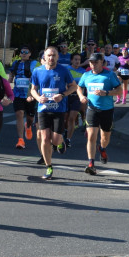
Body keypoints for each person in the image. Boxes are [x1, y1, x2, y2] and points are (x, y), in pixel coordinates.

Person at [29, 46, 78, 180]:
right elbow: (33, 89)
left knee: (55, 140)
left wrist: (62, 95)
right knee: (44, 138)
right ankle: (49, 166)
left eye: (54, 55)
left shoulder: (63, 70)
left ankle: (60, 142)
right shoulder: (37, 71)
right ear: (44, 57)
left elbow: (74, 86)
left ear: (57, 57)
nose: (51, 58)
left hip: (59, 109)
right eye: (49, 55)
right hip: (43, 109)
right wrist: (38, 98)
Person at [77, 53, 121, 176]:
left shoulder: (109, 75)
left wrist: (106, 93)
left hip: (107, 110)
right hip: (92, 109)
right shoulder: (86, 75)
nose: (93, 64)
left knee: (105, 138)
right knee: (91, 136)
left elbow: (119, 91)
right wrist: (81, 96)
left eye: (96, 62)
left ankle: (102, 148)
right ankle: (91, 163)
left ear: (102, 62)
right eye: (91, 62)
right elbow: (79, 87)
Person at [8, 45, 36, 149]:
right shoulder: (15, 63)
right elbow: (10, 76)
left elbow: (35, 79)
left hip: (30, 94)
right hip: (17, 94)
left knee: (30, 118)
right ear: (20, 54)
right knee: (19, 114)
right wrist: (6, 87)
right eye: (22, 52)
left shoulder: (33, 64)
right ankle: (20, 140)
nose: (24, 54)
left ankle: (28, 126)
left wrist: (31, 93)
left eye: (26, 52)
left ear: (30, 54)